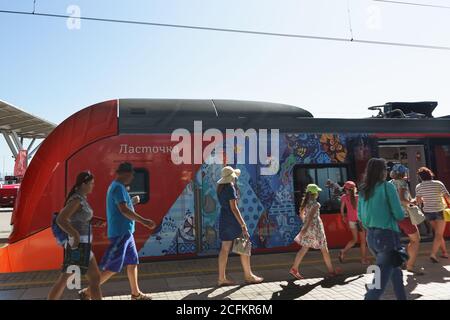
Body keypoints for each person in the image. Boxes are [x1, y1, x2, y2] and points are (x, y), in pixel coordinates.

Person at [78, 162, 156, 300]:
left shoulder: (119, 188)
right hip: (121, 233)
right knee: (113, 267)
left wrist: (132, 201)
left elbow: (123, 205)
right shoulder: (117, 188)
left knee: (132, 263)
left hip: (127, 233)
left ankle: (135, 294)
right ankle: (87, 292)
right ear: (124, 174)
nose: (132, 177)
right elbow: (124, 210)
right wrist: (144, 221)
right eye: (131, 174)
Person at [48, 171, 103, 300]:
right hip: (78, 245)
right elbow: (61, 219)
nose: (93, 186)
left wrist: (94, 222)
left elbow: (78, 219)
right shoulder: (77, 199)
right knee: (91, 279)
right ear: (84, 184)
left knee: (93, 278)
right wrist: (75, 235)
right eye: (91, 183)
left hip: (82, 245)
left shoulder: (81, 198)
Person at [358, 158, 406, 300]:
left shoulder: (363, 189)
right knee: (378, 284)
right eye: (386, 169)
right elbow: (398, 214)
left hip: (371, 237)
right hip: (387, 237)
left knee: (396, 272)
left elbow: (360, 215)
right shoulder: (387, 187)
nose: (387, 172)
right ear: (382, 171)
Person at [216, 166, 263, 286]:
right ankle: (249, 275)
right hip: (233, 221)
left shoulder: (220, 188)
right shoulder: (230, 188)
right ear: (231, 177)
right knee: (244, 246)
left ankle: (221, 278)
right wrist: (243, 225)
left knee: (224, 249)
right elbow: (234, 208)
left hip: (224, 220)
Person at [290, 184, 341, 280]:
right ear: (315, 194)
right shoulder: (316, 204)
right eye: (317, 192)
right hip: (316, 229)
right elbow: (310, 218)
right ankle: (331, 271)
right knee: (324, 249)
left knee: (304, 248)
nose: (318, 193)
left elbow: (302, 215)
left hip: (309, 228)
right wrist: (305, 228)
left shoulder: (305, 203)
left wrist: (305, 226)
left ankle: (294, 268)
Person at [389, 164, 423, 275]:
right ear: (403, 173)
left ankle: (404, 260)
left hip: (392, 216)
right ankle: (410, 265)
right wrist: (414, 202)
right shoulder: (402, 183)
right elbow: (402, 200)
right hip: (404, 216)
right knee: (415, 240)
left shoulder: (389, 184)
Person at [415, 167, 450, 263]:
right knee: (439, 234)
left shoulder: (419, 186)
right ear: (430, 174)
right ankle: (433, 254)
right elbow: (447, 196)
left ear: (420, 177)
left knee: (439, 233)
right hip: (439, 211)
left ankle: (444, 252)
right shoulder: (438, 184)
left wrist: (424, 199)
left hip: (428, 212)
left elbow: (418, 201)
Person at [338, 181, 369, 265]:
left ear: (346, 189)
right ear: (354, 189)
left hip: (351, 221)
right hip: (360, 221)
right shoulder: (359, 197)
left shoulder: (344, 197)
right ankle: (363, 260)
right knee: (363, 241)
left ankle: (343, 251)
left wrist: (343, 217)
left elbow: (342, 209)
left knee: (354, 240)